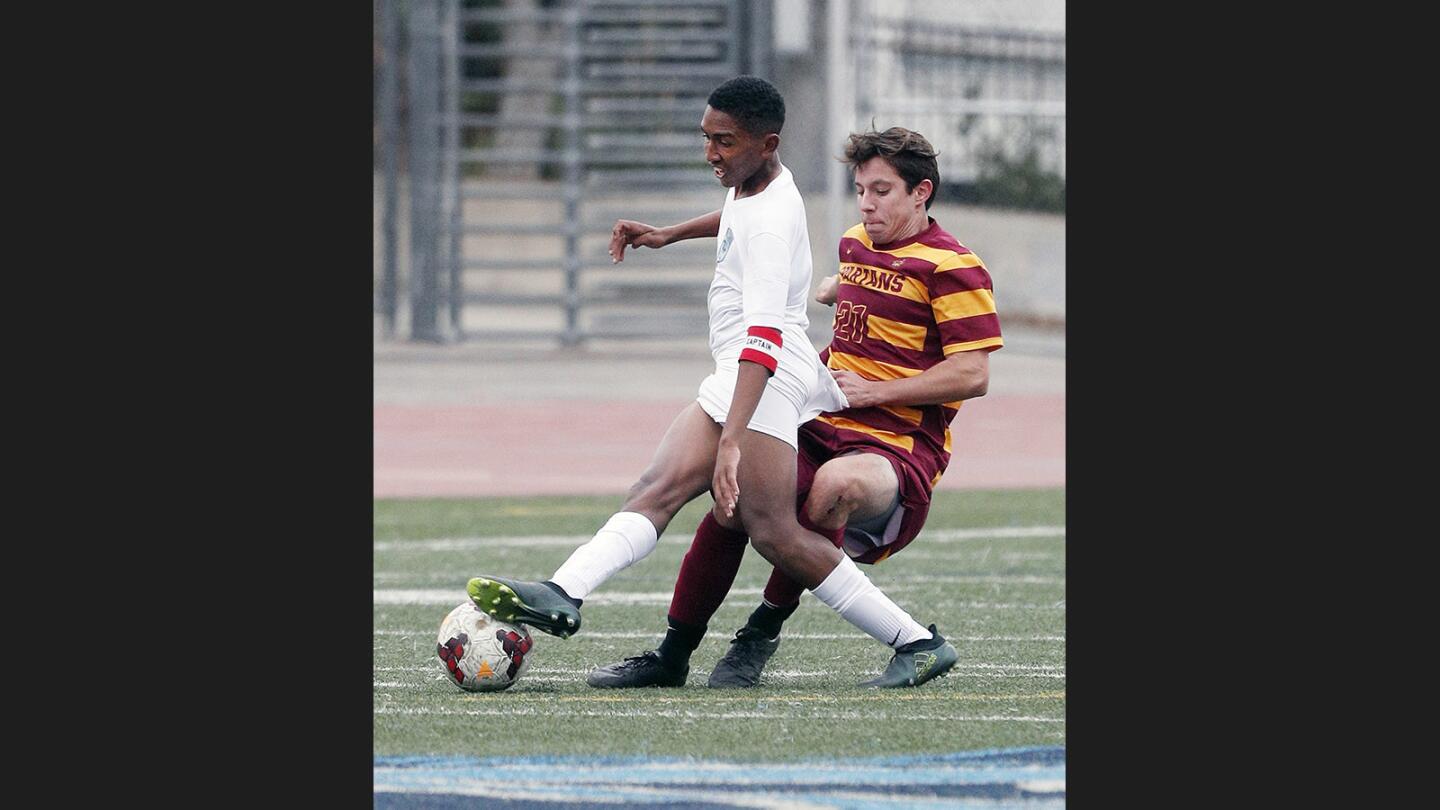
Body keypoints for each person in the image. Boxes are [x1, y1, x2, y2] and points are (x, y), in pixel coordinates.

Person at [466, 77, 957, 689]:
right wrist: (668, 233)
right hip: (740, 375)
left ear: (766, 142)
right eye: (706, 138)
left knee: (775, 531)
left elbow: (764, 340)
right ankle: (565, 592)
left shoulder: (775, 223)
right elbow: (735, 217)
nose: (710, 153)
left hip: (764, 379)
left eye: (723, 142)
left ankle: (915, 640)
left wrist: (733, 439)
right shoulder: (759, 182)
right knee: (658, 487)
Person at [592, 126, 1004, 688]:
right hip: (820, 419)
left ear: (921, 192)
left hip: (896, 443)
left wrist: (875, 391)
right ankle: (672, 654)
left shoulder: (954, 266)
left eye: (882, 191)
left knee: (833, 488)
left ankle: (759, 635)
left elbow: (973, 374)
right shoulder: (856, 242)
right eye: (860, 189)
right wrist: (668, 234)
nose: (866, 203)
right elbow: (751, 225)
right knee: (731, 500)